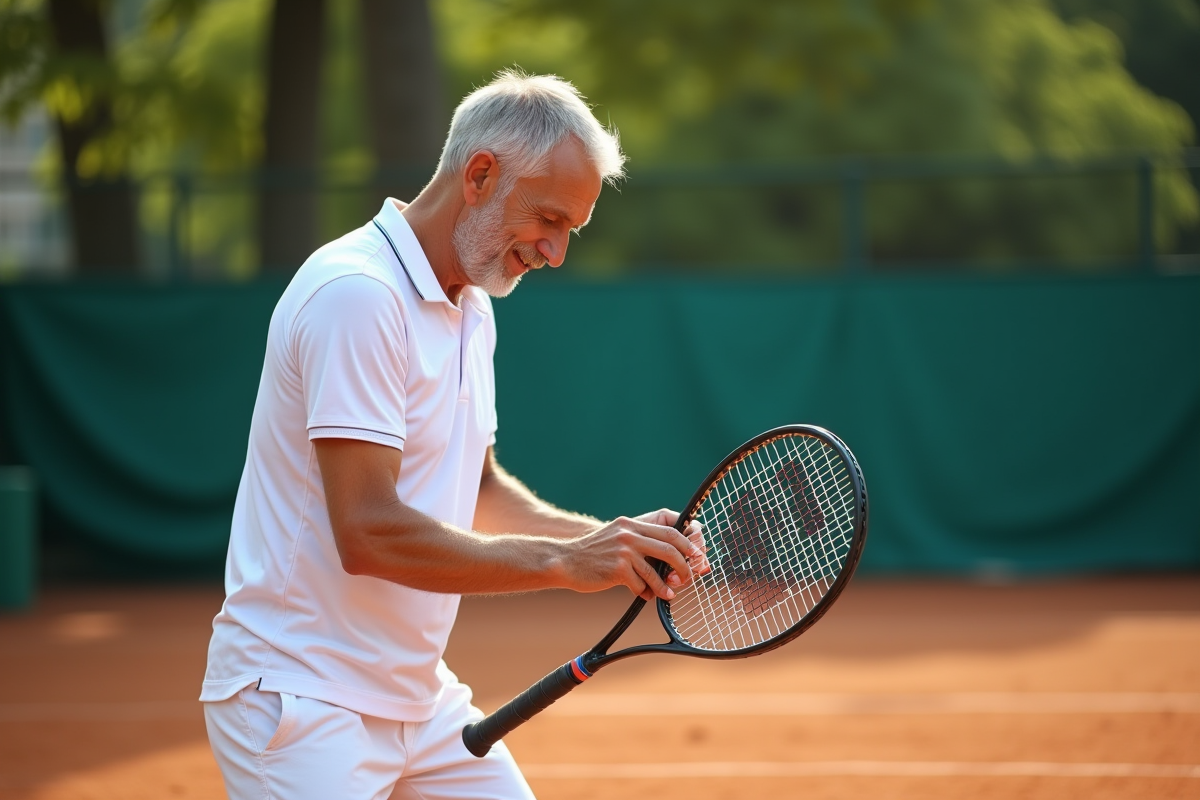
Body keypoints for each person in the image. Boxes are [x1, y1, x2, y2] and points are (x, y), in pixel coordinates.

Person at [201, 69, 708, 800]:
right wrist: (566, 561)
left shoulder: (473, 304)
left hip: (418, 701)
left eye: (572, 230)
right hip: (301, 698)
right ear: (478, 175)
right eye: (549, 221)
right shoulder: (358, 295)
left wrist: (611, 545)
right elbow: (368, 531)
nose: (555, 252)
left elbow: (478, 487)